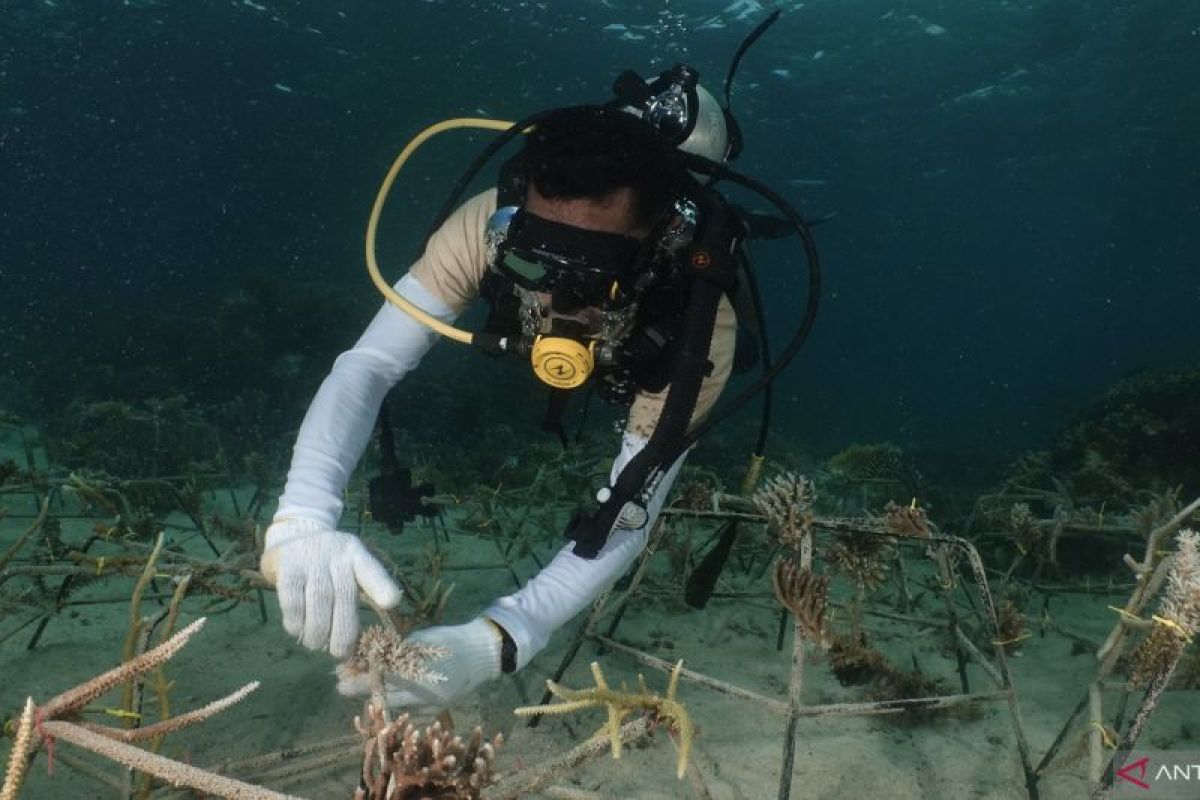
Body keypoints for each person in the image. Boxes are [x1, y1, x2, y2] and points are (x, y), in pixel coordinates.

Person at [260, 78, 746, 712]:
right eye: (531, 263)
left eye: (588, 272)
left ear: (656, 248)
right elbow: (368, 366)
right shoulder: (486, 230)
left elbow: (634, 508)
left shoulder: (700, 328)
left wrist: (505, 636)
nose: (552, 299)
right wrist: (300, 518)